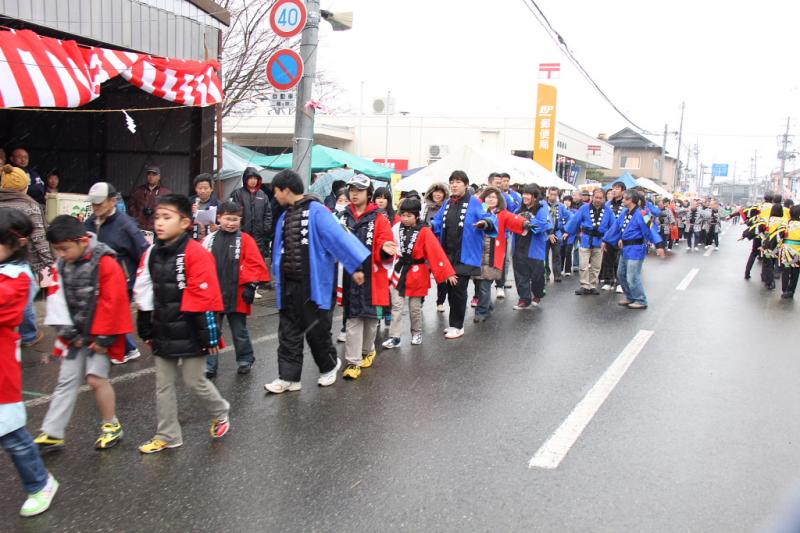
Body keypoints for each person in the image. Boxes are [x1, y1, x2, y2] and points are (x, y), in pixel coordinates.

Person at [133, 194, 231, 453]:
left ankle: (220, 411)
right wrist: (145, 326)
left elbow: (205, 296)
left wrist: (210, 337)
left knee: (194, 380)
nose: (159, 223)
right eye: (157, 218)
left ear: (186, 222)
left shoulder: (196, 253)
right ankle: (168, 435)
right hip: (163, 328)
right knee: (163, 385)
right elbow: (144, 290)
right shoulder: (152, 251)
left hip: (192, 330)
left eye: (167, 217)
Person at [263, 170, 369, 393]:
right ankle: (289, 377)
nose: (275, 197)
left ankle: (329, 365)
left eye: (276, 193)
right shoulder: (284, 216)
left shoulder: (318, 211)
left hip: (312, 284)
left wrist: (356, 267)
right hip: (289, 284)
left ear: (286, 190)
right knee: (288, 332)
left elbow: (339, 238)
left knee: (316, 331)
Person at [35, 215, 132, 453]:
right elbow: (57, 302)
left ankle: (111, 425)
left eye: (64, 249)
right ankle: (53, 431)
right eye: (57, 250)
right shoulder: (62, 264)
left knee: (96, 379)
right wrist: (68, 334)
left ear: (81, 241)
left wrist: (103, 339)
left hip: (98, 336)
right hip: (74, 334)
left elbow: (114, 303)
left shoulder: (106, 261)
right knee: (65, 381)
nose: (61, 255)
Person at [0, 208, 59, 517]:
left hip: (2, 367)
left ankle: (40, 483)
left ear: (14, 242)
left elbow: (7, 312)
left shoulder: (19, 277)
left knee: (12, 436)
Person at [201, 202, 270, 378]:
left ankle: (245, 359)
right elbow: (199, 264)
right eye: (227, 219)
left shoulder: (245, 239)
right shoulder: (209, 239)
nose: (231, 223)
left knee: (239, 331)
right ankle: (210, 365)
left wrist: (251, 286)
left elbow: (254, 263)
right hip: (213, 294)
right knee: (212, 330)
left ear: (240, 220)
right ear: (219, 218)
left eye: (235, 219)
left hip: (237, 293)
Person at [339, 175, 396, 380]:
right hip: (351, 275)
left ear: (368, 193)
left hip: (374, 276)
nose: (354, 193)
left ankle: (368, 350)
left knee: (371, 320)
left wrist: (385, 250)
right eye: (351, 189)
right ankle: (353, 362)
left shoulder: (379, 217)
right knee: (353, 318)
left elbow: (386, 242)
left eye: (359, 190)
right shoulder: (343, 216)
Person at [85, 182, 148, 364]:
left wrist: (141, 280)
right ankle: (123, 347)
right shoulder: (90, 222)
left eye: (100, 203)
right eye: (93, 203)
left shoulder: (126, 225)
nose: (96, 207)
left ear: (113, 201)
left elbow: (143, 252)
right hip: (96, 278)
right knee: (107, 312)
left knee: (114, 313)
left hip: (122, 279)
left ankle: (126, 348)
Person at [382, 198, 456, 348]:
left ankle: (416, 333)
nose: (405, 219)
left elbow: (436, 253)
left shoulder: (424, 231)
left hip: (417, 272)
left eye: (409, 216)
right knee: (396, 305)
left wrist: (447, 273)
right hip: (400, 269)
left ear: (417, 216)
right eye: (403, 215)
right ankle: (395, 337)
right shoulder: (397, 227)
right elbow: (388, 244)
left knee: (415, 307)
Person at [431, 170, 497, 339]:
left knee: (459, 289)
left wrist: (484, 223)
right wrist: (427, 227)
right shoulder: (448, 203)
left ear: (466, 185)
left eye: (458, 182)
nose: (454, 184)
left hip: (466, 254)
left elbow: (490, 218)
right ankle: (455, 323)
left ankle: (457, 326)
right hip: (449, 254)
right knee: (451, 290)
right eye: (452, 181)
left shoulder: (474, 202)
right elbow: (437, 222)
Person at [0, 164, 53, 347]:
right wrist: (48, 260)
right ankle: (29, 335)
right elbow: (38, 237)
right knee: (25, 297)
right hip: (23, 259)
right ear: (24, 186)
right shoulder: (29, 204)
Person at [602, 190, 666, 309]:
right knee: (621, 274)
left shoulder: (642, 213)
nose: (623, 200)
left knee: (632, 276)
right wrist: (606, 240)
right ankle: (630, 296)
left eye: (625, 198)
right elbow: (616, 227)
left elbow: (651, 229)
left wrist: (659, 245)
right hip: (625, 248)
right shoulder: (625, 212)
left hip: (636, 249)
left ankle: (641, 300)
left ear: (631, 200)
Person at [473, 186, 528, 321]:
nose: (490, 199)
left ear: (498, 200)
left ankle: (481, 312)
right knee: (478, 283)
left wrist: (525, 222)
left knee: (485, 283)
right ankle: (488, 306)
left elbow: (514, 219)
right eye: (488, 196)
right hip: (476, 252)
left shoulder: (502, 214)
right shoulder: (477, 211)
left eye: (493, 197)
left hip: (493, 253)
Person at [565, 188, 614, 295]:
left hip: (600, 241)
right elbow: (575, 221)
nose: (598, 200)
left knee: (596, 266)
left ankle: (592, 285)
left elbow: (613, 227)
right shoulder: (584, 208)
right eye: (596, 197)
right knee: (583, 265)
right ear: (592, 197)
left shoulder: (608, 211)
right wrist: (569, 232)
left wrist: (608, 240)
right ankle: (584, 285)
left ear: (604, 199)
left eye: (600, 198)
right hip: (586, 240)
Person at [512, 184, 552, 309]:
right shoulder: (518, 210)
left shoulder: (541, 209)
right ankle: (524, 299)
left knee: (537, 275)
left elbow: (545, 225)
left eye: (528, 194)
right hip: (519, 246)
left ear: (535, 197)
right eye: (524, 193)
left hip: (534, 247)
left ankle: (538, 293)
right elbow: (511, 223)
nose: (525, 196)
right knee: (520, 274)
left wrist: (529, 221)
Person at [229, 167, 273, 260]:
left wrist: (266, 228)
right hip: (242, 234)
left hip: (259, 235)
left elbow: (268, 213)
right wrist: (238, 229)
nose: (253, 181)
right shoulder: (238, 193)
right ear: (246, 179)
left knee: (257, 258)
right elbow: (234, 213)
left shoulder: (263, 195)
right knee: (242, 258)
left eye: (255, 178)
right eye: (251, 178)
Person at [422, 182, 449, 312]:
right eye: (435, 191)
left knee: (441, 276)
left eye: (440, 192)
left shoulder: (448, 208)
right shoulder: (424, 208)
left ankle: (440, 302)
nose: (437, 194)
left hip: (441, 245)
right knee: (423, 274)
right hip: (425, 246)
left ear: (444, 194)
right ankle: (420, 300)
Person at [599, 181, 626, 291]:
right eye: (613, 188)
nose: (614, 190)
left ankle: (620, 283)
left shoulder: (627, 203)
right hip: (609, 235)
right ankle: (608, 281)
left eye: (617, 188)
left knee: (619, 260)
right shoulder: (607, 204)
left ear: (623, 191)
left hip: (621, 236)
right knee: (607, 259)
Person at [128, 165, 171, 231]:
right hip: (139, 227)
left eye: (154, 174)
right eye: (149, 174)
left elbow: (170, 210)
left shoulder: (165, 193)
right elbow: (131, 206)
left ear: (159, 177)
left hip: (157, 228)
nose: (151, 177)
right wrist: (138, 217)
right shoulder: (138, 191)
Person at [545, 187, 570, 282]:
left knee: (557, 255)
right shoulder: (542, 205)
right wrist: (547, 232)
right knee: (544, 255)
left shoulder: (561, 206)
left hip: (557, 233)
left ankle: (557, 274)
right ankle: (546, 273)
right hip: (545, 234)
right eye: (551, 194)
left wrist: (566, 231)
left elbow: (570, 218)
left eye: (555, 195)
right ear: (548, 194)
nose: (553, 196)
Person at [760, 203, 786, 290]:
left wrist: (763, 239)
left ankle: (768, 281)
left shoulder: (768, 220)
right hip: (778, 245)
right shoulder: (784, 221)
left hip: (767, 244)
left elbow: (762, 231)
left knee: (767, 263)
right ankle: (771, 279)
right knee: (774, 262)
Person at [777, 205, 800, 299]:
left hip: (786, 250)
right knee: (795, 271)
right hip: (798, 252)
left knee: (786, 270)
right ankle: (791, 291)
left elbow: (780, 235)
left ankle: (785, 290)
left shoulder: (785, 223)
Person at [190, 173, 220, 241]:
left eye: (206, 188)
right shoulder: (189, 202)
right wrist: (191, 213)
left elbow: (221, 223)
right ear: (195, 189)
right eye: (200, 188)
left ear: (211, 189)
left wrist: (217, 227)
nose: (202, 191)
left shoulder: (217, 204)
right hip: (193, 237)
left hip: (210, 238)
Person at [559, 194, 576, 274]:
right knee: (561, 252)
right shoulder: (559, 210)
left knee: (568, 251)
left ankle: (568, 270)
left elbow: (574, 223)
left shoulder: (574, 211)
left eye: (569, 201)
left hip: (571, 235)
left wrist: (568, 232)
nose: (567, 202)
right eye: (565, 200)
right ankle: (560, 268)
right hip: (561, 234)